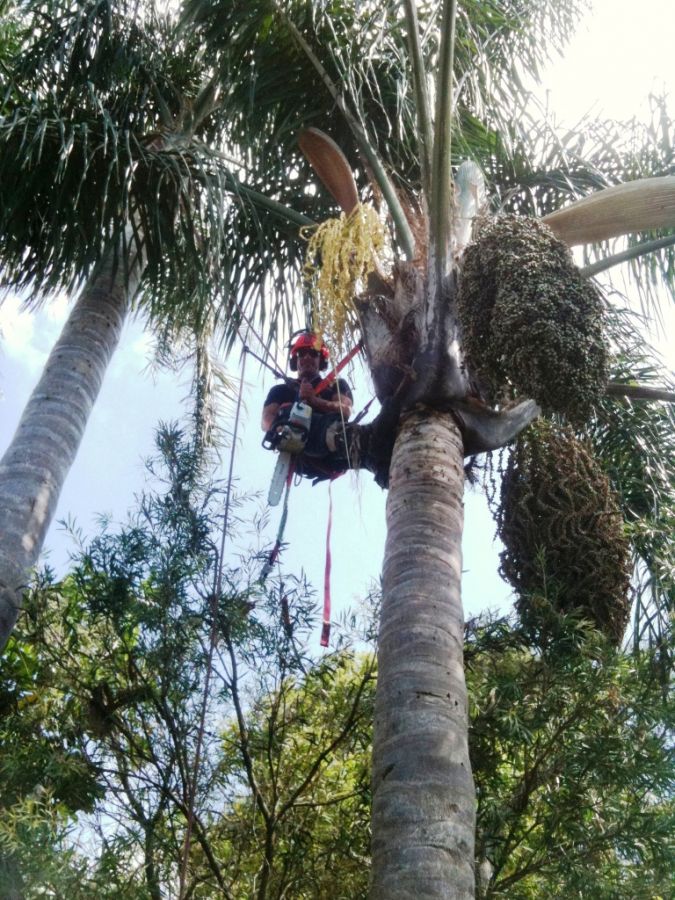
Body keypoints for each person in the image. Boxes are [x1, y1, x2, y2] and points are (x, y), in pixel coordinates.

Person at [261, 332, 353, 476]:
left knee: (342, 427)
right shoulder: (281, 390)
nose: (307, 357)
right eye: (301, 354)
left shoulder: (336, 384)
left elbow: (345, 410)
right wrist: (280, 427)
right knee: (287, 411)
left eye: (313, 353)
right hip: (298, 453)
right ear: (295, 361)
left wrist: (315, 401)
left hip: (330, 451)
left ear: (321, 361)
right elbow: (266, 420)